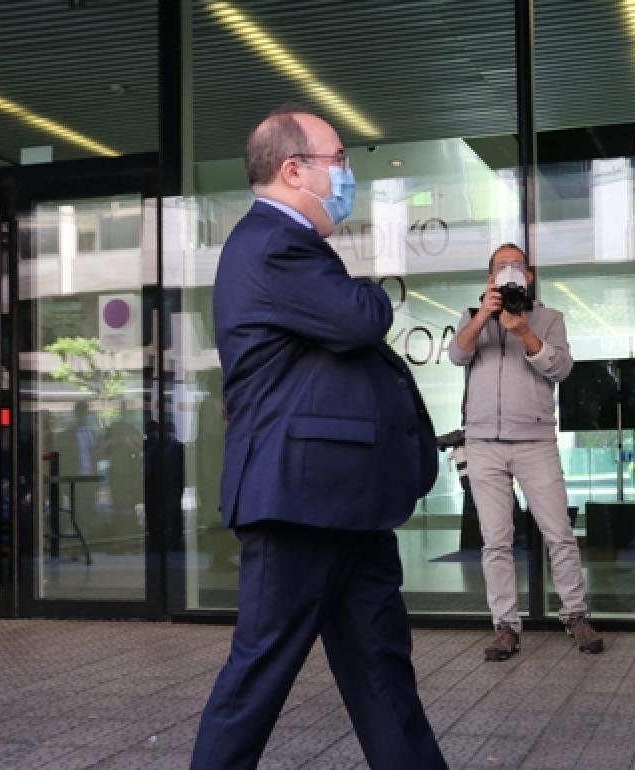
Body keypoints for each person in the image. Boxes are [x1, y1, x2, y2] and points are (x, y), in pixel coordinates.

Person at [190, 106, 447, 770]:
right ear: (293, 169)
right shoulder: (275, 242)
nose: (347, 174)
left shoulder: (287, 246)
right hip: (297, 502)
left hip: (343, 504)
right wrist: (374, 294)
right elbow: (359, 319)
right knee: (259, 676)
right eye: (339, 160)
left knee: (383, 674)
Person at [448, 243, 604, 661]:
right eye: (502, 267)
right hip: (483, 443)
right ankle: (505, 627)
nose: (511, 271)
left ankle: (575, 615)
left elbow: (561, 368)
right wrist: (484, 315)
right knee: (495, 541)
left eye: (517, 265)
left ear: (529, 276)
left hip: (535, 442)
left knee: (559, 534)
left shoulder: (549, 318)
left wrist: (522, 331)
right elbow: (457, 355)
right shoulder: (472, 316)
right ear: (490, 278)